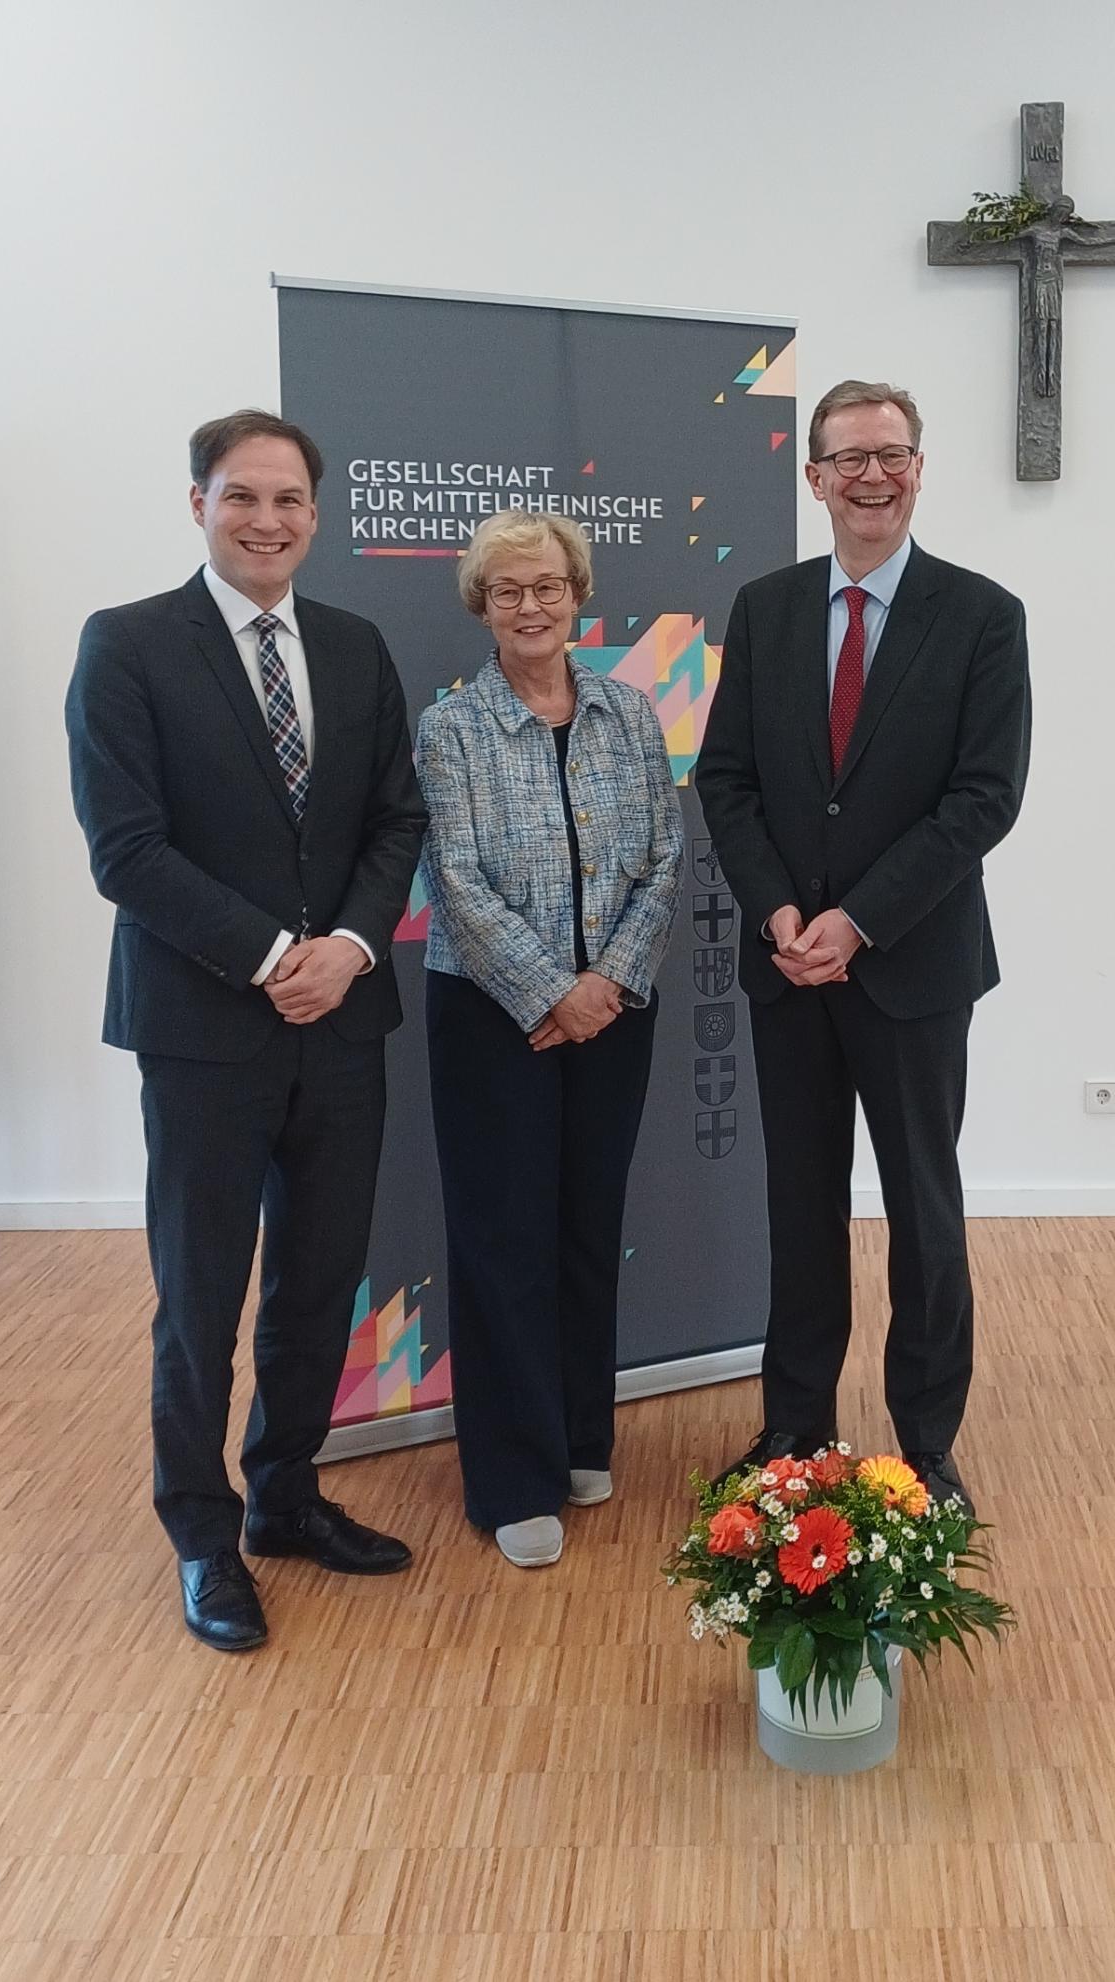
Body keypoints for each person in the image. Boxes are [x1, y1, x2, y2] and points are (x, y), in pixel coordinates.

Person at [66, 410, 428, 1651]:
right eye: (241, 496)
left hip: (344, 1020)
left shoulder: (356, 645)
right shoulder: (127, 645)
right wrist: (277, 957)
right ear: (198, 503)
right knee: (201, 1296)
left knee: (320, 1280)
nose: (266, 520)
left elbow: (397, 819)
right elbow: (127, 851)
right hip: (204, 1031)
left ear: (315, 515)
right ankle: (202, 1534)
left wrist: (351, 947)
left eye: (288, 500)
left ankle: (285, 1493)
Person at [695, 380, 1032, 1514]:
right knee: (800, 1210)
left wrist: (860, 919)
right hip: (788, 968)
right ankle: (794, 1428)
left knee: (924, 1212)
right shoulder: (766, 608)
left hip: (913, 969)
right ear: (815, 477)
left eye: (891, 454)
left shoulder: (983, 616)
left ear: (919, 469)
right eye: (849, 458)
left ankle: (925, 1446)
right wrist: (779, 913)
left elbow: (983, 799)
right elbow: (728, 780)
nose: (871, 475)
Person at [416, 513, 682, 1569]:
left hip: (615, 1010)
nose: (531, 606)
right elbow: (455, 877)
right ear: (481, 605)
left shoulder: (630, 712)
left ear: (579, 595)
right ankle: (512, 1477)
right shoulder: (452, 728)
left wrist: (605, 983)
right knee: (504, 1242)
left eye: (549, 586)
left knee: (585, 1227)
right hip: (494, 1017)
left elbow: (664, 856)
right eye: (508, 590)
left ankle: (579, 1436)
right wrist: (548, 992)